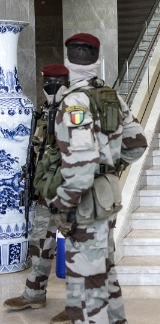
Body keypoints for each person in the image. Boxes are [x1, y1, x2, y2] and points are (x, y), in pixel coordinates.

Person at [48, 33, 148, 323]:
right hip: (106, 197)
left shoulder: (74, 103)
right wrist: (111, 170)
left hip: (85, 204)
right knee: (104, 271)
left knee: (86, 286)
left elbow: (81, 166)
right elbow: (137, 144)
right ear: (97, 59)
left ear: (68, 61)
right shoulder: (111, 96)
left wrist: (61, 204)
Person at [3, 64, 71, 324]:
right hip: (44, 192)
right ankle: (34, 294)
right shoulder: (44, 112)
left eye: (55, 82)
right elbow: (38, 152)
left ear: (66, 82)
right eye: (47, 82)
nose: (50, 87)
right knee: (40, 244)